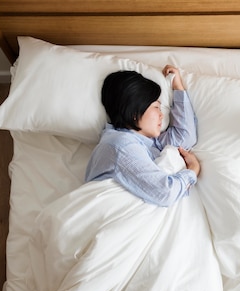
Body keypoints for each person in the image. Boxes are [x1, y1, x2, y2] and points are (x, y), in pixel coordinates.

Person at [84, 65, 200, 207]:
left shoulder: (145, 141)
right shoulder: (121, 145)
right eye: (156, 107)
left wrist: (177, 86)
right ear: (135, 111)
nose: (161, 115)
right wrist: (193, 170)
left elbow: (185, 137)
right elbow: (165, 193)